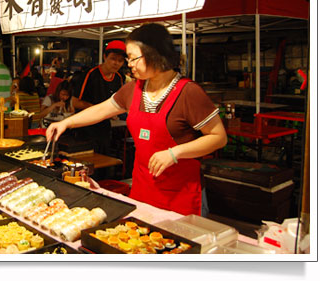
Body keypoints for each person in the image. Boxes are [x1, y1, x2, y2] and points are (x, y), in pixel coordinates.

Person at [47, 23, 227, 216]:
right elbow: (102, 109)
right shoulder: (134, 89)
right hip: (143, 189)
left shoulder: (188, 92)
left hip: (179, 193)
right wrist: (66, 122)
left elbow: (218, 137)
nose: (129, 64)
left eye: (133, 58)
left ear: (154, 54)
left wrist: (175, 153)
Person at [72, 40, 126, 155]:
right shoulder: (90, 74)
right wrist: (98, 110)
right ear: (105, 57)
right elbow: (74, 102)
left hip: (104, 129)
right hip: (85, 127)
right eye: (113, 58)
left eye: (120, 60)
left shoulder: (119, 78)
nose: (116, 63)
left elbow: (119, 102)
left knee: (104, 159)